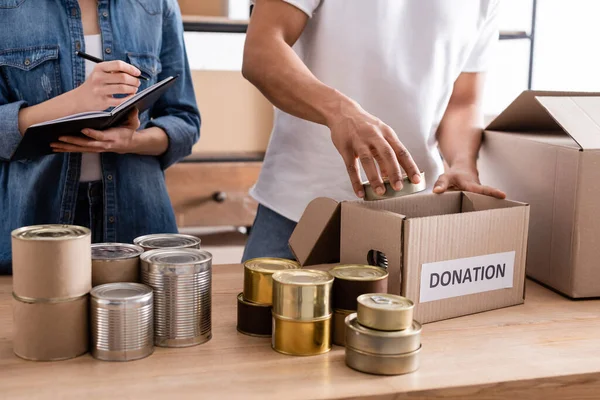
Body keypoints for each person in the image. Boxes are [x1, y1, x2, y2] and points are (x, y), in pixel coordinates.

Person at [241, 0, 506, 261]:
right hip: (299, 210)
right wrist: (340, 112)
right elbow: (262, 51)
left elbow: (462, 101)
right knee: (260, 305)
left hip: (413, 216)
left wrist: (462, 163)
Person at [0, 0, 200, 274]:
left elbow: (185, 121)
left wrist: (133, 142)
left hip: (139, 220)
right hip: (34, 221)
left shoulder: (158, 5)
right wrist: (78, 101)